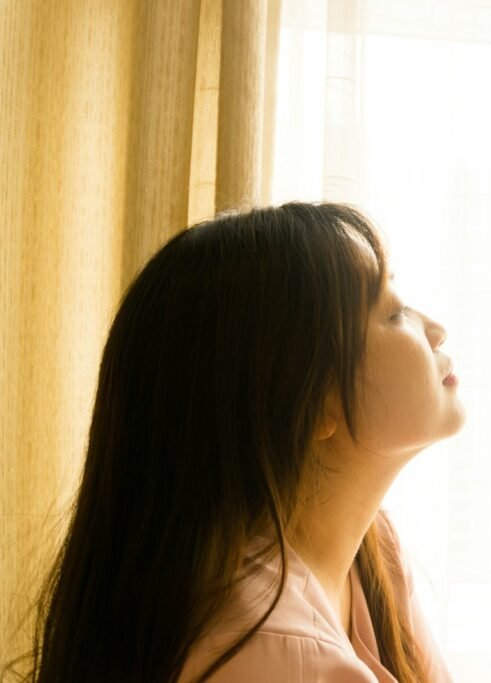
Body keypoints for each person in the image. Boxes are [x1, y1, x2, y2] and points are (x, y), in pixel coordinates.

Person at [13, 203, 464, 682]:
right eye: (394, 313)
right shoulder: (277, 656)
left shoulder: (374, 557)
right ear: (313, 404)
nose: (436, 331)